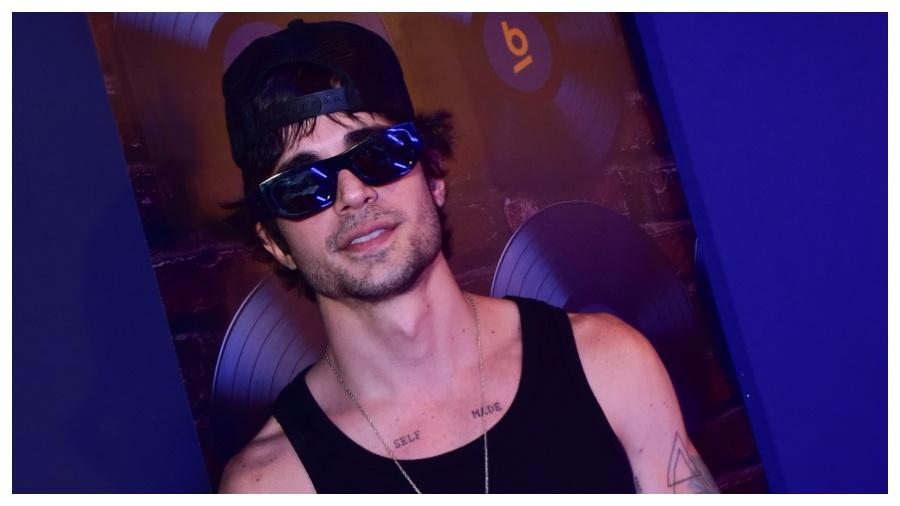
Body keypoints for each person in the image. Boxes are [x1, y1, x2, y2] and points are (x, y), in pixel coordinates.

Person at [217, 18, 717, 494]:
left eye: (376, 153)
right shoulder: (272, 484)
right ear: (275, 242)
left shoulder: (607, 364)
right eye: (303, 185)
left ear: (433, 176)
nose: (353, 193)